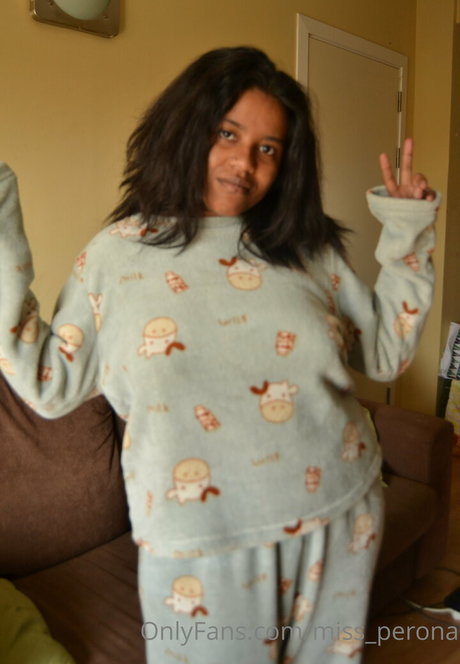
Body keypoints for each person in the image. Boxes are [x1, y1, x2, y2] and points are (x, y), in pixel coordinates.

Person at [0, 46, 439, 663]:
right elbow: (48, 384)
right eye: (227, 134)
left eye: (269, 148)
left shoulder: (303, 248)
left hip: (342, 514)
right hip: (198, 546)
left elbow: (386, 352)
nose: (244, 163)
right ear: (187, 130)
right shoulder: (116, 256)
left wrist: (408, 229)